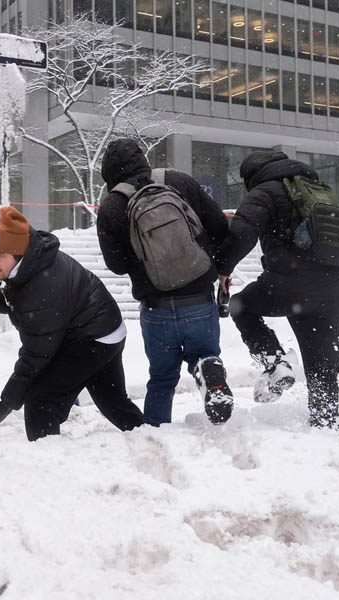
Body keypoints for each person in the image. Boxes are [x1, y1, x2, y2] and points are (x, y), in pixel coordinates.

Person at [97, 138, 233, 427]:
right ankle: (208, 368)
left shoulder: (111, 205)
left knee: (161, 378)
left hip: (156, 307)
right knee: (205, 354)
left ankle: (157, 436)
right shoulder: (179, 181)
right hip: (199, 299)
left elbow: (116, 265)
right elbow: (220, 226)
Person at [0, 206, 144, 441]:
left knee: (41, 402)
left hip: (91, 337)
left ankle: (49, 462)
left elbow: (35, 356)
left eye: (0, 256)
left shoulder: (42, 286)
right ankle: (146, 437)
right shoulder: (32, 264)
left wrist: (8, 402)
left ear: (18, 256)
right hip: (106, 330)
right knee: (112, 401)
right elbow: (16, 299)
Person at [216, 150, 339, 429]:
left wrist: (223, 268)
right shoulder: (320, 189)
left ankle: (275, 363)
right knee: (321, 360)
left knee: (240, 305)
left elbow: (242, 232)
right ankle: (325, 425)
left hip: (289, 285)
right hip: (332, 290)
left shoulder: (265, 191)